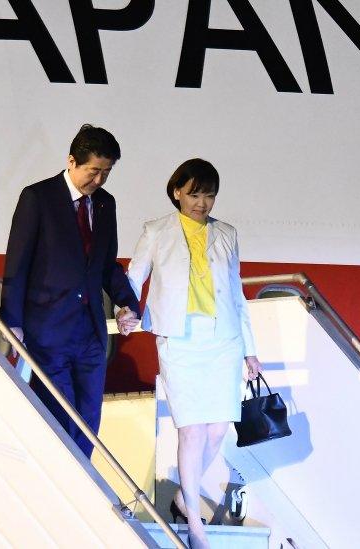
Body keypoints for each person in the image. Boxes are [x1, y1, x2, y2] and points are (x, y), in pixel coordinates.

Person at [124, 158, 261, 549]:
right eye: (195, 193)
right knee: (191, 429)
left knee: (218, 428)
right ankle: (195, 527)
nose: (202, 203)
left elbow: (236, 294)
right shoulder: (156, 230)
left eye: (209, 195)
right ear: (177, 192)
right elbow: (134, 276)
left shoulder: (228, 234)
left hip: (224, 339)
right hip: (179, 339)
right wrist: (125, 308)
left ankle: (186, 494)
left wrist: (250, 350)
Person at [0, 124, 140, 458]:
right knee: (59, 417)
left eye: (107, 173)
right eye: (93, 171)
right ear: (72, 161)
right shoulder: (38, 198)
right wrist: (13, 322)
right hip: (48, 330)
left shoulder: (106, 204)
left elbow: (107, 265)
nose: (99, 180)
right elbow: (16, 265)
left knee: (89, 420)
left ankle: (85, 485)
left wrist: (126, 303)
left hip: (90, 333)